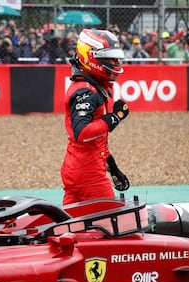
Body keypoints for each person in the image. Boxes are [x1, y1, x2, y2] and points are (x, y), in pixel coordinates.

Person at [61, 28, 130, 205]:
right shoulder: (86, 91)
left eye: (115, 58)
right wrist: (113, 118)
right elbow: (83, 133)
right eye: (108, 58)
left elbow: (97, 142)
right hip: (88, 173)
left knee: (71, 227)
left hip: (80, 167)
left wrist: (113, 168)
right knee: (112, 225)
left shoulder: (96, 86)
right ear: (90, 57)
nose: (114, 62)